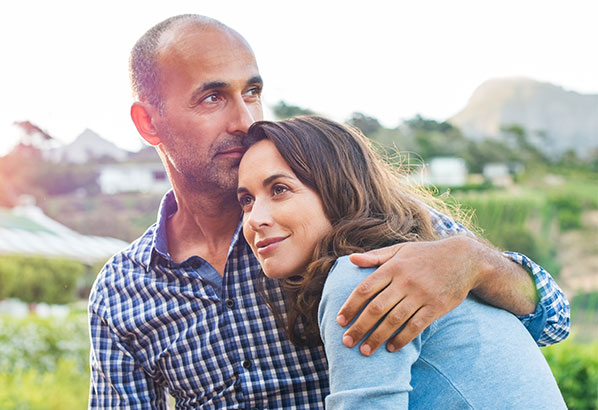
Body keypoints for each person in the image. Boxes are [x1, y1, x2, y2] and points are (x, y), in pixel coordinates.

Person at [89, 14, 569, 408]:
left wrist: (475, 262)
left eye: (252, 92)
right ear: (148, 121)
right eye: (212, 98)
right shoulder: (121, 292)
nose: (245, 120)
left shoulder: (354, 223)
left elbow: (552, 319)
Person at [236, 116, 566, 408]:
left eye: (279, 189)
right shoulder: (408, 253)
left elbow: (557, 322)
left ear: (338, 191)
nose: (254, 219)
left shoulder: (362, 275)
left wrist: (477, 258)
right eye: (247, 200)